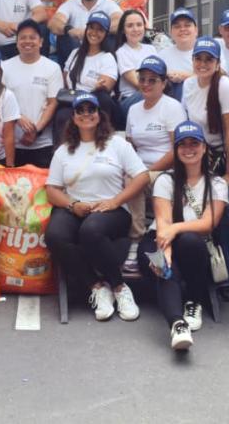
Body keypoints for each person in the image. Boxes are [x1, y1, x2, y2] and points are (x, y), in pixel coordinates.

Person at [45, 93, 149, 322]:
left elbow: (142, 177)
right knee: (54, 235)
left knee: (90, 231)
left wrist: (116, 201)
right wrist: (72, 205)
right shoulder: (64, 151)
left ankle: (120, 287)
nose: (86, 114)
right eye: (80, 110)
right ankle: (97, 286)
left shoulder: (117, 144)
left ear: (99, 115)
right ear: (73, 117)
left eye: (90, 110)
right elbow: (52, 189)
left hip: (111, 210)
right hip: (75, 206)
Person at [138, 121, 228, 350]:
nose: (189, 149)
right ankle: (178, 325)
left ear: (204, 147)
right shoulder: (166, 180)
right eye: (183, 144)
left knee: (189, 241)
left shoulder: (216, 183)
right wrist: (164, 250)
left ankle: (194, 301)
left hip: (194, 242)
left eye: (194, 143)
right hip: (157, 239)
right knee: (164, 266)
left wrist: (176, 230)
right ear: (176, 150)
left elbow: (208, 223)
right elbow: (162, 223)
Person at [182, 37, 229, 298]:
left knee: (227, 204)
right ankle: (200, 265)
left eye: (209, 59)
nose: (203, 63)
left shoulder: (226, 86)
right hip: (205, 154)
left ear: (218, 63)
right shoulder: (188, 84)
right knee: (198, 202)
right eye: (199, 58)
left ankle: (227, 275)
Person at [123, 55, 184, 274]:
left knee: (136, 181)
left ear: (163, 83)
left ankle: (138, 239)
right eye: (143, 79)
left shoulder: (172, 107)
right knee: (126, 178)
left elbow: (176, 150)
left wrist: (146, 172)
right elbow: (129, 147)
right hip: (140, 170)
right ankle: (135, 236)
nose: (146, 84)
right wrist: (136, 170)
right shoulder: (133, 110)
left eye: (153, 80)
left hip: (167, 171)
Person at [2, 19, 63, 169]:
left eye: (32, 37)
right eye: (22, 37)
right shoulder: (5, 67)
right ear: (16, 42)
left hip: (42, 143)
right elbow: (0, 100)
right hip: (11, 142)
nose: (27, 41)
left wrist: (36, 130)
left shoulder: (52, 68)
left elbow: (53, 102)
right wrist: (18, 117)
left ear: (41, 42)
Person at [57, 10, 119, 136]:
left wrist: (96, 89)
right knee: (61, 115)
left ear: (106, 34)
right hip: (73, 101)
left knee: (103, 98)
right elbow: (64, 79)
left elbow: (106, 86)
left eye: (100, 30)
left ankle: (102, 141)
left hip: (95, 102)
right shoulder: (75, 53)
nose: (94, 33)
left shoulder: (107, 57)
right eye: (91, 28)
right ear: (86, 29)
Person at [51, 0, 122, 65]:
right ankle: (69, 74)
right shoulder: (70, 4)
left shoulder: (108, 4)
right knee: (64, 36)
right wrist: (70, 29)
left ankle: (109, 73)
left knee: (113, 36)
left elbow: (119, 22)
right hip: (75, 51)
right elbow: (54, 23)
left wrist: (94, 32)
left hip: (101, 50)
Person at [113, 9, 157, 120]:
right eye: (130, 26)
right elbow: (139, 84)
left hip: (152, 94)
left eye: (139, 25)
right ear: (123, 30)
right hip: (131, 99)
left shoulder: (151, 49)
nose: (135, 29)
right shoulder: (121, 52)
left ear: (144, 27)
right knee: (150, 91)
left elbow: (161, 74)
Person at [157, 7, 198, 100]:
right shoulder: (162, 55)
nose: (182, 29)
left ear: (196, 30)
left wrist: (185, 76)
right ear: (171, 32)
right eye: (177, 26)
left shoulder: (206, 50)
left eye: (187, 25)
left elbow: (218, 75)